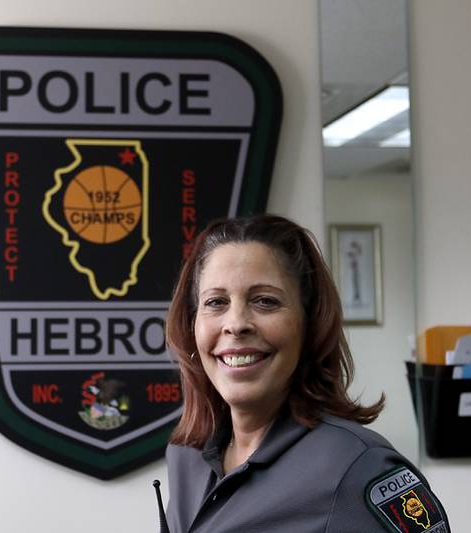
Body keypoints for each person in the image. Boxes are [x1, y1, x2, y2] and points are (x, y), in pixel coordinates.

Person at [162, 215, 449, 533]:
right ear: (192, 325)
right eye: (216, 302)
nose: (236, 323)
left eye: (265, 301)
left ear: (310, 325)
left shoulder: (361, 469)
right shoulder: (186, 456)